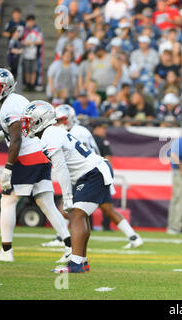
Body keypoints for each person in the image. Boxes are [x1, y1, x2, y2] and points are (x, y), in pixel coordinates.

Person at [0, 69, 72, 263]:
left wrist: (8, 168)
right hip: (41, 153)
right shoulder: (19, 99)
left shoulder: (7, 107)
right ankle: (69, 247)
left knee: (7, 201)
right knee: (46, 203)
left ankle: (6, 251)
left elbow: (17, 139)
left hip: (27, 156)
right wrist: (5, 133)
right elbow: (25, 128)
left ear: (6, 86)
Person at [20, 100, 113, 273]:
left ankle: (77, 263)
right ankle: (81, 262)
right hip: (93, 171)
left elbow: (61, 169)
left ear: (41, 120)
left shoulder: (49, 135)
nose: (26, 124)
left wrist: (67, 197)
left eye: (29, 120)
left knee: (76, 214)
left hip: (93, 172)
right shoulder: (51, 133)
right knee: (79, 215)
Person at [42, 105, 144, 249]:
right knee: (102, 209)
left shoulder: (79, 132)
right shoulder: (70, 131)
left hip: (90, 174)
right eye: (57, 120)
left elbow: (80, 157)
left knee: (73, 210)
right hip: (89, 173)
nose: (60, 123)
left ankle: (65, 241)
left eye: (63, 119)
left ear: (70, 118)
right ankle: (133, 236)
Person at [166, 125, 182, 234]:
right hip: (179, 173)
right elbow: (172, 154)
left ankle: (173, 225)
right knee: (180, 200)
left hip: (178, 173)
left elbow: (170, 153)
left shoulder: (180, 142)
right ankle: (175, 226)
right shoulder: (181, 142)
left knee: (176, 199)